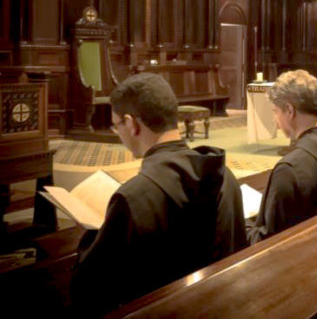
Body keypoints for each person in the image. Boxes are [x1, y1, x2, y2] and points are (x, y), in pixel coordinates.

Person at [72, 73, 246, 315]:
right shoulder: (225, 175)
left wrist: (92, 233)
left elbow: (89, 288)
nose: (117, 133)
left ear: (132, 124)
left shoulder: (133, 197)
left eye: (117, 125)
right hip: (224, 308)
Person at [246, 70, 317, 244]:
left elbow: (268, 241)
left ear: (289, 110)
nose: (275, 120)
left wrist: (242, 225)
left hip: (299, 257)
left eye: (275, 112)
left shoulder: (289, 169)